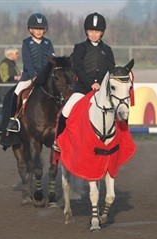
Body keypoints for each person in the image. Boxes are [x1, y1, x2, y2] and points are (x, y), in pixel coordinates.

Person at [52, 12, 115, 152]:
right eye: (91, 31)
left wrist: (104, 83)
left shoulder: (107, 50)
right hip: (83, 88)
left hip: (103, 90)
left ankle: (116, 139)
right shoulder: (80, 47)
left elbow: (111, 69)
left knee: (119, 110)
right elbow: (78, 68)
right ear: (86, 31)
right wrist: (91, 83)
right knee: (66, 111)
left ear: (102, 33)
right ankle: (58, 140)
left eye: (97, 31)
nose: (93, 34)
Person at [5, 13, 56, 132]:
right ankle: (13, 119)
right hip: (29, 76)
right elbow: (27, 62)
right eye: (36, 28)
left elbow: (52, 59)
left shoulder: (48, 43)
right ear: (30, 29)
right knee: (17, 92)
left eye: (41, 29)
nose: (39, 31)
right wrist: (34, 76)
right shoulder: (26, 43)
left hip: (46, 76)